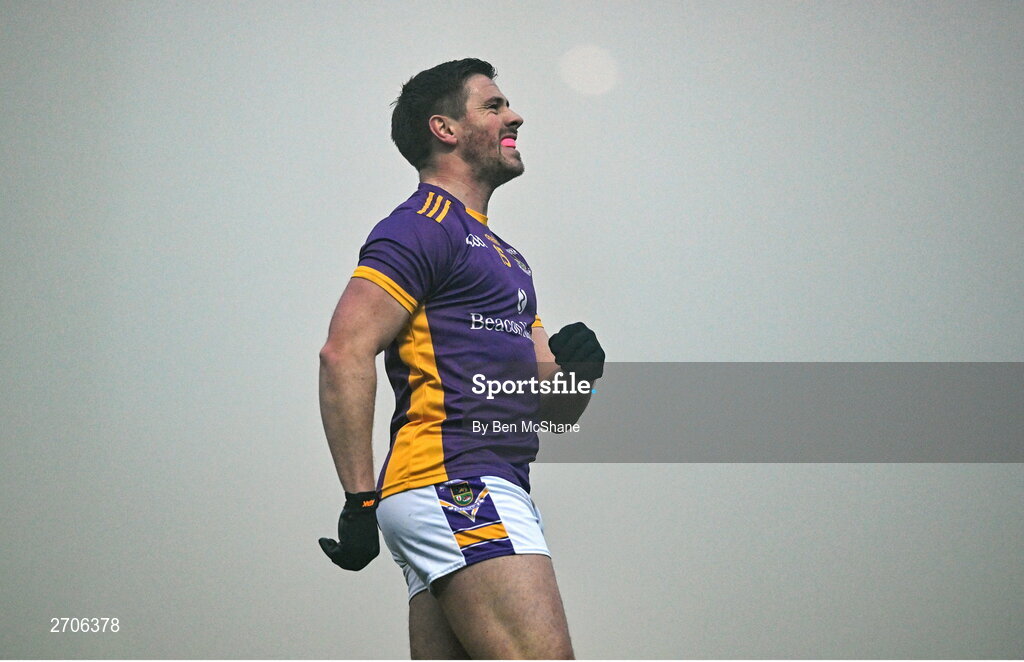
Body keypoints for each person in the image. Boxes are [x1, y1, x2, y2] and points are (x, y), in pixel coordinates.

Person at [317, 58, 604, 659]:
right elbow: (344, 351)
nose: (514, 116)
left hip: (483, 485)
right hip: (456, 482)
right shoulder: (421, 226)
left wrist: (579, 373)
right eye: (494, 106)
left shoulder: (509, 258)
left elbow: (554, 410)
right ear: (445, 129)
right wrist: (357, 498)